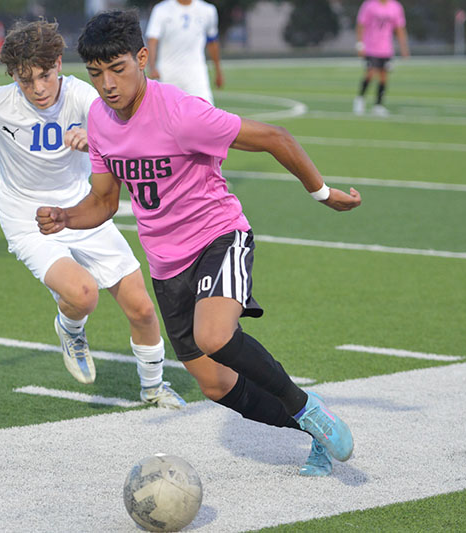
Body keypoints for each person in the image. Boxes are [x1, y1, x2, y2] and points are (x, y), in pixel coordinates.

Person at [37, 10, 362, 476]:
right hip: (167, 265)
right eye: (96, 72)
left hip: (218, 235)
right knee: (213, 384)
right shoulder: (99, 120)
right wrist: (66, 217)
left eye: (118, 68)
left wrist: (323, 193)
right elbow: (105, 202)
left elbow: (274, 137)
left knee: (215, 335)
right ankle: (312, 430)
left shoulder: (180, 111)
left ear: (143, 58)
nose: (107, 83)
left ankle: (306, 404)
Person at [0, 20, 186, 409]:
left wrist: (96, 137)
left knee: (141, 308)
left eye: (44, 76)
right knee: (83, 295)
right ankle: (71, 328)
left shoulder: (84, 96)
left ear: (59, 63)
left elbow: (134, 129)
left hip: (80, 210)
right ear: (13, 77)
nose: (38, 89)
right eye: (26, 81)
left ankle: (154, 388)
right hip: (28, 219)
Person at [144, 0, 223, 104]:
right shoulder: (161, 9)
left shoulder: (208, 10)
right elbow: (153, 40)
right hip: (168, 74)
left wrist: (218, 71)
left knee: (206, 110)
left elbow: (212, 42)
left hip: (196, 73)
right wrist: (152, 67)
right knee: (167, 115)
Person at [353, 0, 409, 116]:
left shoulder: (396, 7)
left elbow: (399, 28)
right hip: (370, 47)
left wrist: (403, 47)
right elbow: (360, 25)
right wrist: (360, 45)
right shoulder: (369, 5)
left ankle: (378, 105)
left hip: (386, 48)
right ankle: (360, 99)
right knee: (370, 73)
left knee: (384, 77)